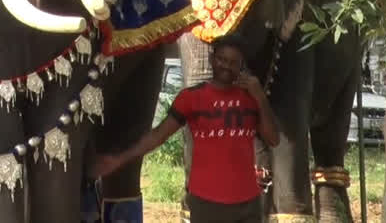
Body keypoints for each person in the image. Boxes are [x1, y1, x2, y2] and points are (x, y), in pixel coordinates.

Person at [92, 35, 279, 223]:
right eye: (222, 59)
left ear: (241, 65)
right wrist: (118, 160)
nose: (226, 66)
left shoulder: (251, 99)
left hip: (247, 205)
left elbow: (273, 139)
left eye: (233, 62)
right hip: (206, 204)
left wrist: (260, 97)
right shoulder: (191, 98)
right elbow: (157, 136)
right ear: (212, 59)